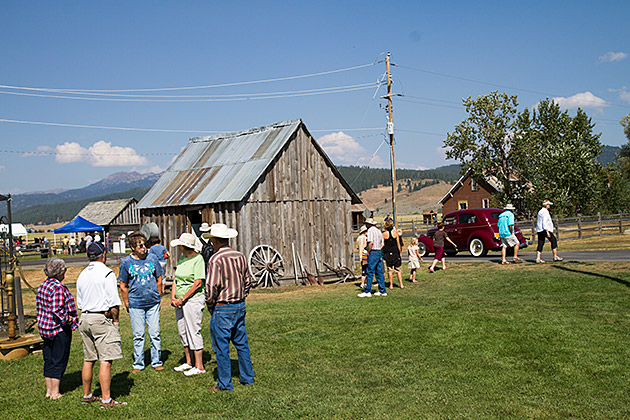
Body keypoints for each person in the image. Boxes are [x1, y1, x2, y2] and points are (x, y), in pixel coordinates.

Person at [76, 242, 127, 408]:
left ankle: (87, 394)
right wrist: (115, 320)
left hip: (85, 317)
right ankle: (106, 399)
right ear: (103, 254)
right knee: (106, 359)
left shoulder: (82, 274)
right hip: (100, 318)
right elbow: (113, 301)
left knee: (89, 358)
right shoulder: (107, 273)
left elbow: (80, 302)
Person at [205, 223, 255, 391]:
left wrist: (210, 303)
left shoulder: (215, 259)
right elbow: (248, 280)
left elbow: (212, 286)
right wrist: (242, 295)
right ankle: (247, 377)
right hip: (239, 304)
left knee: (221, 347)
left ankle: (225, 383)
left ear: (214, 240)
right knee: (241, 343)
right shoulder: (240, 256)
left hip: (223, 305)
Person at [118, 232, 164, 373]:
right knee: (138, 334)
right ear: (132, 247)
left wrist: (158, 294)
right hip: (136, 304)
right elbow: (123, 284)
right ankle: (139, 363)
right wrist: (126, 302)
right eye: (140, 246)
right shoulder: (126, 262)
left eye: (145, 245)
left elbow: (159, 278)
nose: (144, 248)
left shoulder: (152, 258)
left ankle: (156, 361)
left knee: (154, 332)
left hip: (153, 303)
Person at [36, 258, 78, 400]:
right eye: (64, 269)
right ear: (59, 272)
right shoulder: (58, 287)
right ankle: (55, 392)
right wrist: (69, 319)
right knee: (59, 360)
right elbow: (57, 309)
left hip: (45, 328)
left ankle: (49, 391)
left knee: (48, 359)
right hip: (58, 329)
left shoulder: (43, 285)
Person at [169, 232, 206, 376]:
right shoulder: (183, 258)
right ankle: (188, 361)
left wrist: (183, 298)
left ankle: (199, 365)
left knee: (193, 329)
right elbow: (176, 279)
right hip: (180, 300)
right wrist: (173, 297)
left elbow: (197, 283)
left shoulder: (198, 260)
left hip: (192, 299)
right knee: (182, 330)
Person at [358, 218, 387, 297]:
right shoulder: (378, 231)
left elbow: (371, 242)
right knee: (379, 272)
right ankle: (382, 290)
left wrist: (368, 251)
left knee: (369, 271)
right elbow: (382, 243)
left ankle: (367, 291)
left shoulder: (370, 231)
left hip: (373, 251)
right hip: (378, 251)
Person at [382, 216, 404, 289]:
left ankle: (391, 285)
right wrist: (400, 252)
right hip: (395, 252)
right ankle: (401, 284)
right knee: (398, 269)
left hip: (388, 253)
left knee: (389, 270)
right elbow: (398, 244)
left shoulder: (384, 234)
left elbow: (382, 244)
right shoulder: (395, 233)